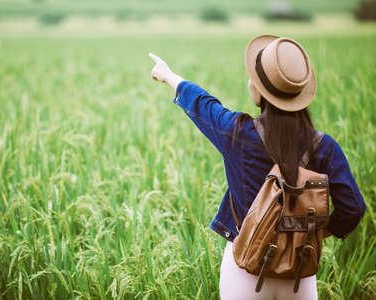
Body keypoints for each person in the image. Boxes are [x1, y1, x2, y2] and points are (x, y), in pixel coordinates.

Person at [149, 35, 366, 300]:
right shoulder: (324, 147)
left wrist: (169, 75)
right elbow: (353, 208)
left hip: (245, 269)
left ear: (259, 91)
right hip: (300, 272)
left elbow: (204, 104)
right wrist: (318, 231)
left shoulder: (236, 133)